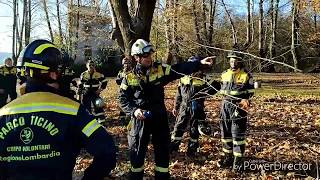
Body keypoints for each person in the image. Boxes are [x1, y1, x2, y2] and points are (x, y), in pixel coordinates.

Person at [0, 39, 116, 180]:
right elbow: (107, 151)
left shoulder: (3, 113)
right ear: (53, 74)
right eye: (61, 70)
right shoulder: (73, 111)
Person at [119, 39, 214, 180]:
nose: (149, 58)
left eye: (150, 55)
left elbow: (179, 69)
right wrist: (134, 111)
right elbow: (122, 99)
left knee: (163, 152)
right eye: (145, 56)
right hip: (139, 120)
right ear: (136, 57)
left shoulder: (160, 69)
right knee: (137, 152)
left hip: (159, 118)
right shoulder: (129, 77)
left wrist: (199, 64)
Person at [170, 56, 221, 156]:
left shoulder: (203, 78)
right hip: (184, 106)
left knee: (194, 129)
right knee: (179, 126)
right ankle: (173, 147)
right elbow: (179, 94)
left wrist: (203, 94)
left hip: (197, 107)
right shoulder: (183, 77)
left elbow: (217, 87)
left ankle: (192, 150)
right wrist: (176, 107)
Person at [217, 52, 254, 172]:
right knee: (225, 133)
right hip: (225, 106)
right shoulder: (224, 74)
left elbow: (251, 91)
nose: (233, 63)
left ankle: (238, 161)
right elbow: (221, 88)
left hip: (238, 106)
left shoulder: (246, 75)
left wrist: (246, 98)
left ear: (240, 61)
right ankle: (228, 156)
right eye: (231, 61)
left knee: (237, 133)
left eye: (235, 61)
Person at [116, 57, 133, 123]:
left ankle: (131, 118)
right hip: (123, 91)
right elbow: (117, 81)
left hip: (131, 90)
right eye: (125, 63)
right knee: (122, 104)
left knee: (131, 104)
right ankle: (122, 119)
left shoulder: (133, 71)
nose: (126, 65)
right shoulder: (120, 72)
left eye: (128, 63)